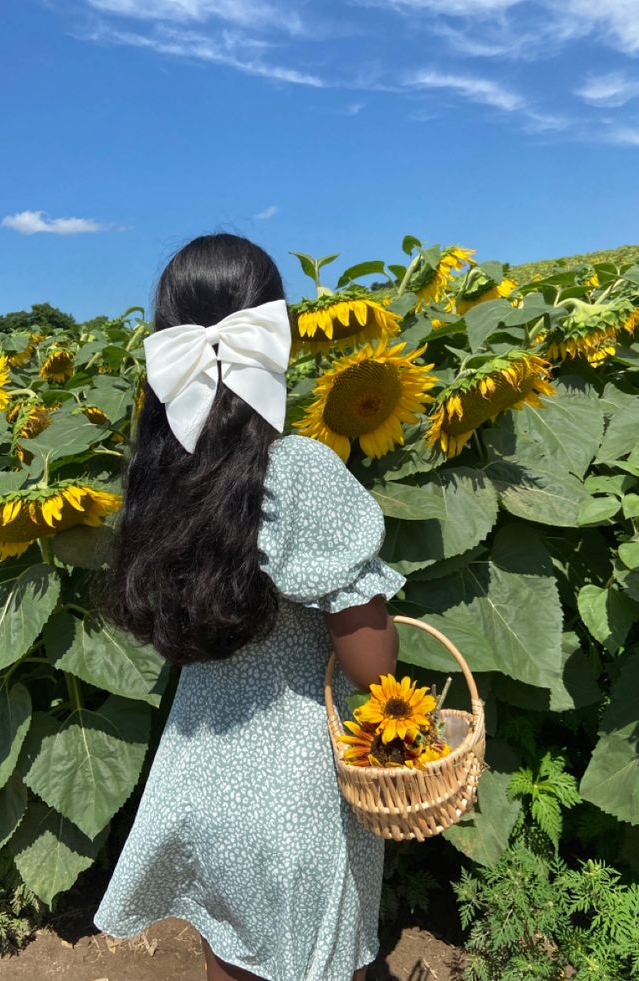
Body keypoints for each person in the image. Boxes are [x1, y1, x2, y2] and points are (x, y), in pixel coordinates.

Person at [93, 233, 407, 981]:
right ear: (279, 340)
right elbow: (369, 664)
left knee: (229, 957)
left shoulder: (162, 475)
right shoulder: (299, 472)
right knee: (316, 959)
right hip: (298, 797)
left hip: (198, 785)